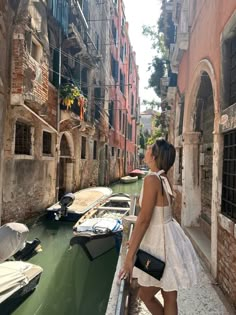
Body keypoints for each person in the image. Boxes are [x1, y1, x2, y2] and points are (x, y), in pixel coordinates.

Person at [119, 139, 199, 315]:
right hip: (170, 240)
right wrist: (133, 240)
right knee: (169, 296)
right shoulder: (163, 179)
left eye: (149, 148)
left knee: (145, 294)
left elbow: (144, 219)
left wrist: (129, 256)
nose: (146, 150)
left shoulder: (151, 179)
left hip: (158, 246)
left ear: (154, 156)